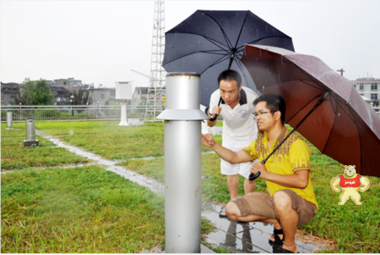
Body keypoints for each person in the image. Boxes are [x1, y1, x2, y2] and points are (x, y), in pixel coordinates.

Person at [202, 94, 318, 253]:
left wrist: (265, 174)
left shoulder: (296, 143)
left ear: (276, 115)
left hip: (303, 204)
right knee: (232, 209)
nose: (257, 117)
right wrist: (213, 144)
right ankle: (278, 224)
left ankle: (290, 245)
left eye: (262, 113)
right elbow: (235, 158)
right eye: (256, 114)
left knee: (281, 197)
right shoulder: (261, 143)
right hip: (275, 199)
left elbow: (302, 181)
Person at [205, 69, 260, 217]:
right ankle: (233, 205)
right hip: (229, 137)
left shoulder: (251, 97)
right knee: (230, 171)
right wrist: (213, 116)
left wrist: (261, 141)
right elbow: (211, 124)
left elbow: (260, 121)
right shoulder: (215, 97)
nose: (227, 96)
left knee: (249, 174)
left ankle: (247, 207)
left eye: (231, 91)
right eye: (223, 91)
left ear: (240, 88)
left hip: (249, 137)